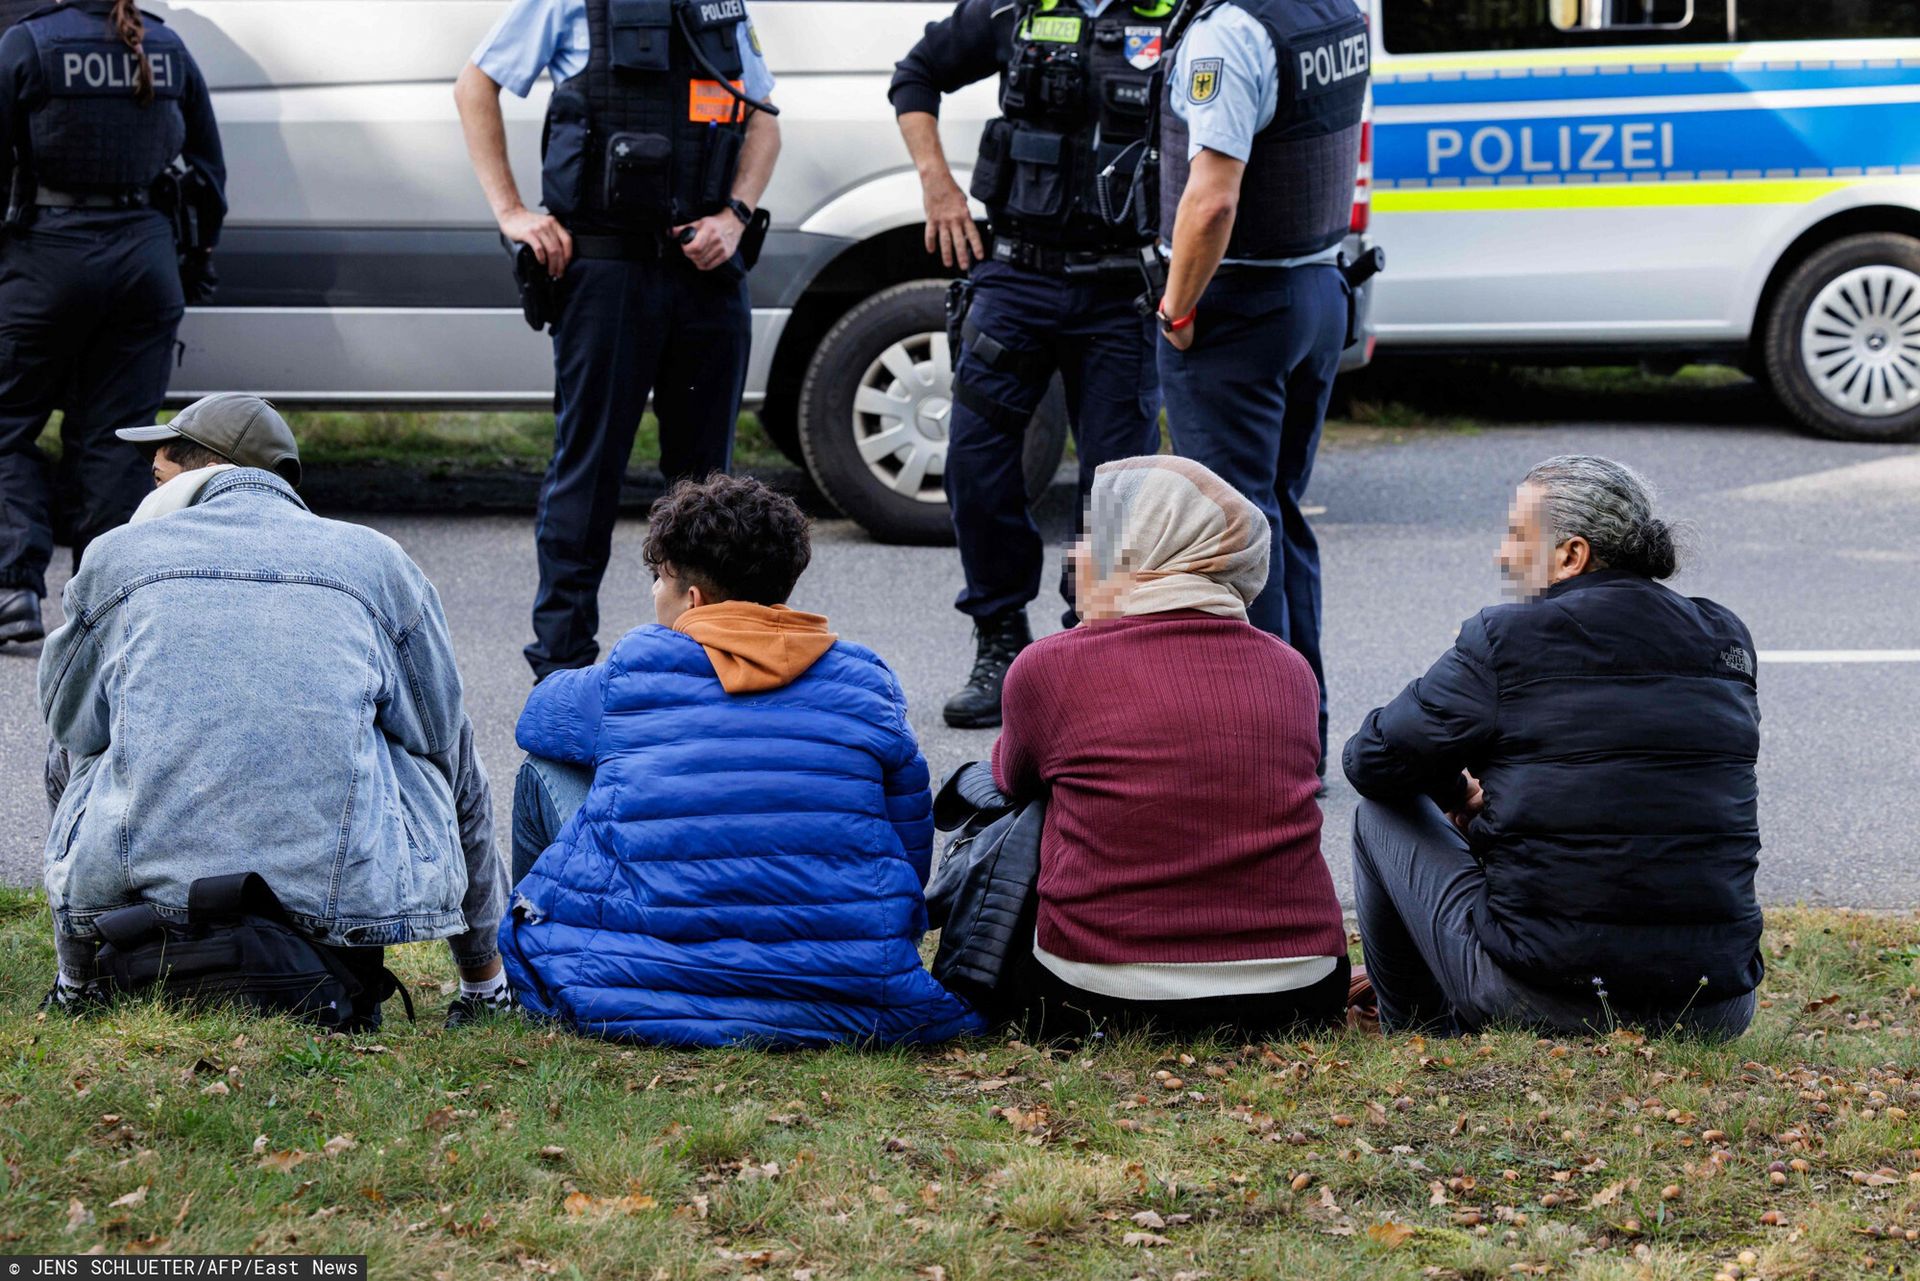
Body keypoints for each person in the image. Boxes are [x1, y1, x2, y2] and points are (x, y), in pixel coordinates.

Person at [38, 395, 512, 1027]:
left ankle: (77, 982)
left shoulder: (118, 555)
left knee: (71, 748)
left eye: (156, 475)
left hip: (148, 899)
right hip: (340, 909)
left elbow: (68, 718)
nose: (146, 489)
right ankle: (485, 986)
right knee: (450, 747)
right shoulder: (375, 560)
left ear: (200, 473)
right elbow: (435, 726)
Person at [501, 473, 982, 1047]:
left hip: (639, 981)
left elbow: (536, 721)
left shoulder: (638, 664)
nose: (654, 594)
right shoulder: (865, 677)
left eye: (659, 579)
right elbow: (907, 843)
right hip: (845, 983)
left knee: (545, 769)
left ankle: (541, 955)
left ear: (692, 599)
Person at [1343, 456, 1764, 1038]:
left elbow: (1372, 759)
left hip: (1545, 996)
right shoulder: (1724, 636)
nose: (1502, 554)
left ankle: (1419, 1035)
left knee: (1380, 814)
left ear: (1570, 555)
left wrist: (1454, 789)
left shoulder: (1507, 637)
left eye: (1517, 535)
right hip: (1715, 1007)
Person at [454, 0, 782, 681]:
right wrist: (512, 211)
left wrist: (735, 214)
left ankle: (712, 663)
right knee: (590, 473)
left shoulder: (719, 5)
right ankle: (563, 669)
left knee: (710, 487)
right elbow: (474, 84)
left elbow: (764, 119)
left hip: (707, 273)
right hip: (606, 270)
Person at [988, 454, 1349, 1039]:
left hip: (1103, 996)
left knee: (1032, 797)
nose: (1078, 556)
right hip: (1299, 990)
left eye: (1098, 535)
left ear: (1142, 547)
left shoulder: (1049, 667)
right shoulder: (1291, 670)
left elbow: (1012, 780)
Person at [890, 0, 1172, 729]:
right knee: (976, 465)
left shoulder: (1177, 12)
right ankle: (1001, 642)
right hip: (1016, 275)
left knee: (1118, 486)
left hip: (1122, 288)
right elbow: (915, 78)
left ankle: (1092, 646)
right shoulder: (1012, 8)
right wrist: (937, 185)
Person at [1150, 0, 1367, 766]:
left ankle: (1263, 752)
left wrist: (1176, 307)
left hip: (1238, 307)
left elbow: (1212, 199)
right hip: (1314, 288)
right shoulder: (1329, 11)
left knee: (1234, 532)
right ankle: (1300, 732)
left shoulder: (1227, 33)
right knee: (1278, 515)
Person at [0, 0, 225, 649]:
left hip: (46, 256)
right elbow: (209, 173)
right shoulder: (168, 45)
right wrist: (190, 256)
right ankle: (102, 603)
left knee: (7, 422)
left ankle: (13, 588)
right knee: (113, 437)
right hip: (145, 263)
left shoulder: (28, 42)